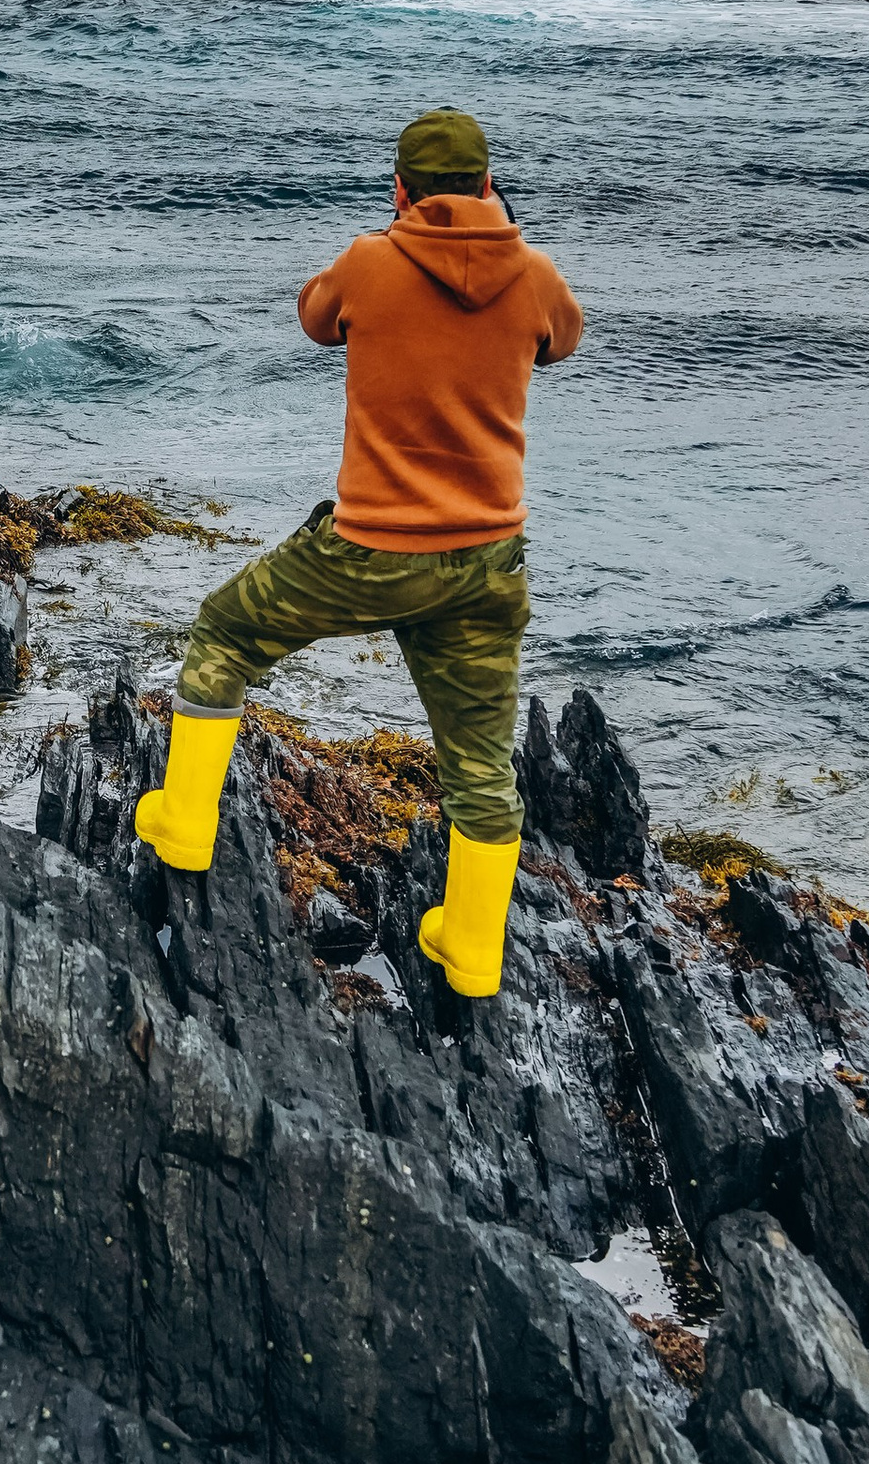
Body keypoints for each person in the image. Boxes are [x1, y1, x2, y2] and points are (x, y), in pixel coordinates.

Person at [133, 107, 583, 998]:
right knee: (481, 766)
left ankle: (184, 824)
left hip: (371, 550)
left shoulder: (372, 261)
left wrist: (380, 248)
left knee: (224, 633)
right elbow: (563, 339)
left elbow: (313, 316)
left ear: (401, 190)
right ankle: (473, 949)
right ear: (490, 186)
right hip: (488, 564)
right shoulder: (533, 276)